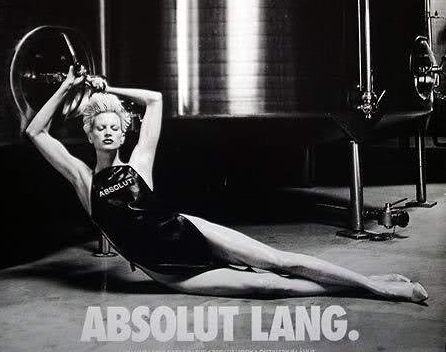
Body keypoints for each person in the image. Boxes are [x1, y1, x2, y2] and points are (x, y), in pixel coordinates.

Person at [25, 66, 428, 303]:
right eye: (100, 127)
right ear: (89, 135)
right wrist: (68, 87)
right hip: (169, 272)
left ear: (123, 131)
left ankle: (377, 286)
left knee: (279, 261)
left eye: (115, 126)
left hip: (188, 229)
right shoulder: (83, 179)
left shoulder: (139, 164)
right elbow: (35, 132)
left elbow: (155, 100)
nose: (109, 132)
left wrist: (106, 88)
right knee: (268, 286)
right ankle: (365, 288)